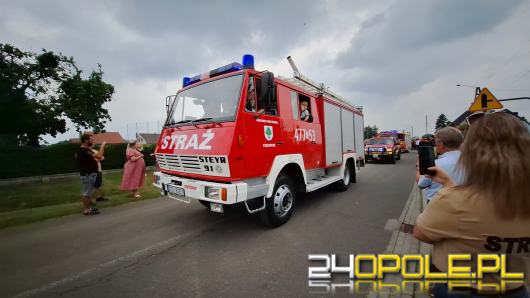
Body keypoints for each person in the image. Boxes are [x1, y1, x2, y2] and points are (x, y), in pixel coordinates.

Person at [413, 113, 530, 297]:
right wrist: (450, 184)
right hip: (516, 289)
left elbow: (421, 233)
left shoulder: (453, 201)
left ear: (472, 151)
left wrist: (449, 190)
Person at [416, 127, 464, 203]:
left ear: (441, 144)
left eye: (436, 142)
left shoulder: (436, 164)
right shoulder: (472, 162)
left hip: (438, 204)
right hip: (464, 204)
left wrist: (419, 167)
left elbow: (421, 184)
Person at [76, 133, 106, 215]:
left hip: (90, 174)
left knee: (88, 192)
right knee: (86, 193)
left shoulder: (87, 150)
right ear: (86, 140)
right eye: (91, 139)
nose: (93, 141)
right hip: (87, 175)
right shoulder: (83, 151)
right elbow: (99, 156)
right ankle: (86, 210)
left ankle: (89, 208)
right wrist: (102, 146)